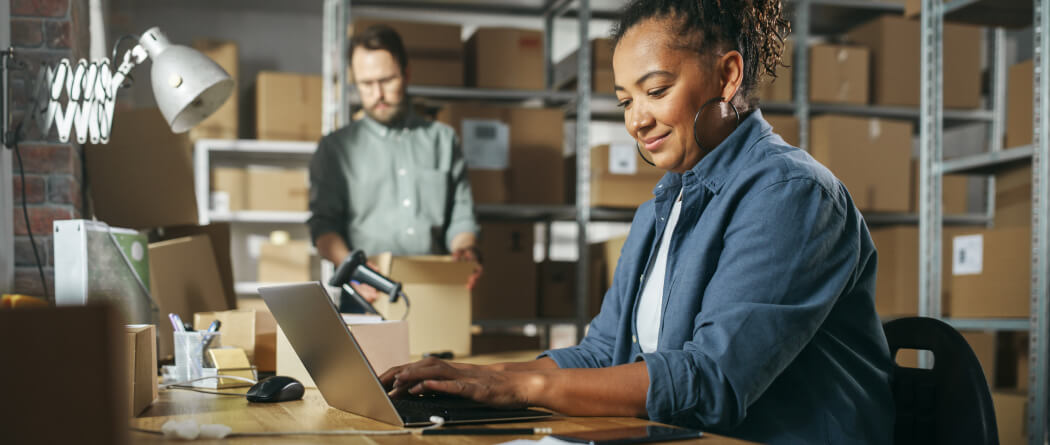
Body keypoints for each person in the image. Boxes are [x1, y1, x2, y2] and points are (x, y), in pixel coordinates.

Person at [378, 1, 895, 443]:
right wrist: (474, 378)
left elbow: (711, 380)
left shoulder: (792, 195)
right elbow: (604, 351)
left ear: (728, 75)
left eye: (656, 89)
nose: (636, 119)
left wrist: (521, 387)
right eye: (625, 100)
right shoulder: (662, 205)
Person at [309, 25, 481, 307]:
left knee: (443, 353)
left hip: (436, 293)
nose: (377, 94)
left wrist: (465, 250)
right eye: (366, 84)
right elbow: (323, 226)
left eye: (387, 80)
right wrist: (353, 268)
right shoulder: (335, 149)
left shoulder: (443, 140)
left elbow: (461, 217)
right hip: (368, 295)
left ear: (407, 74)